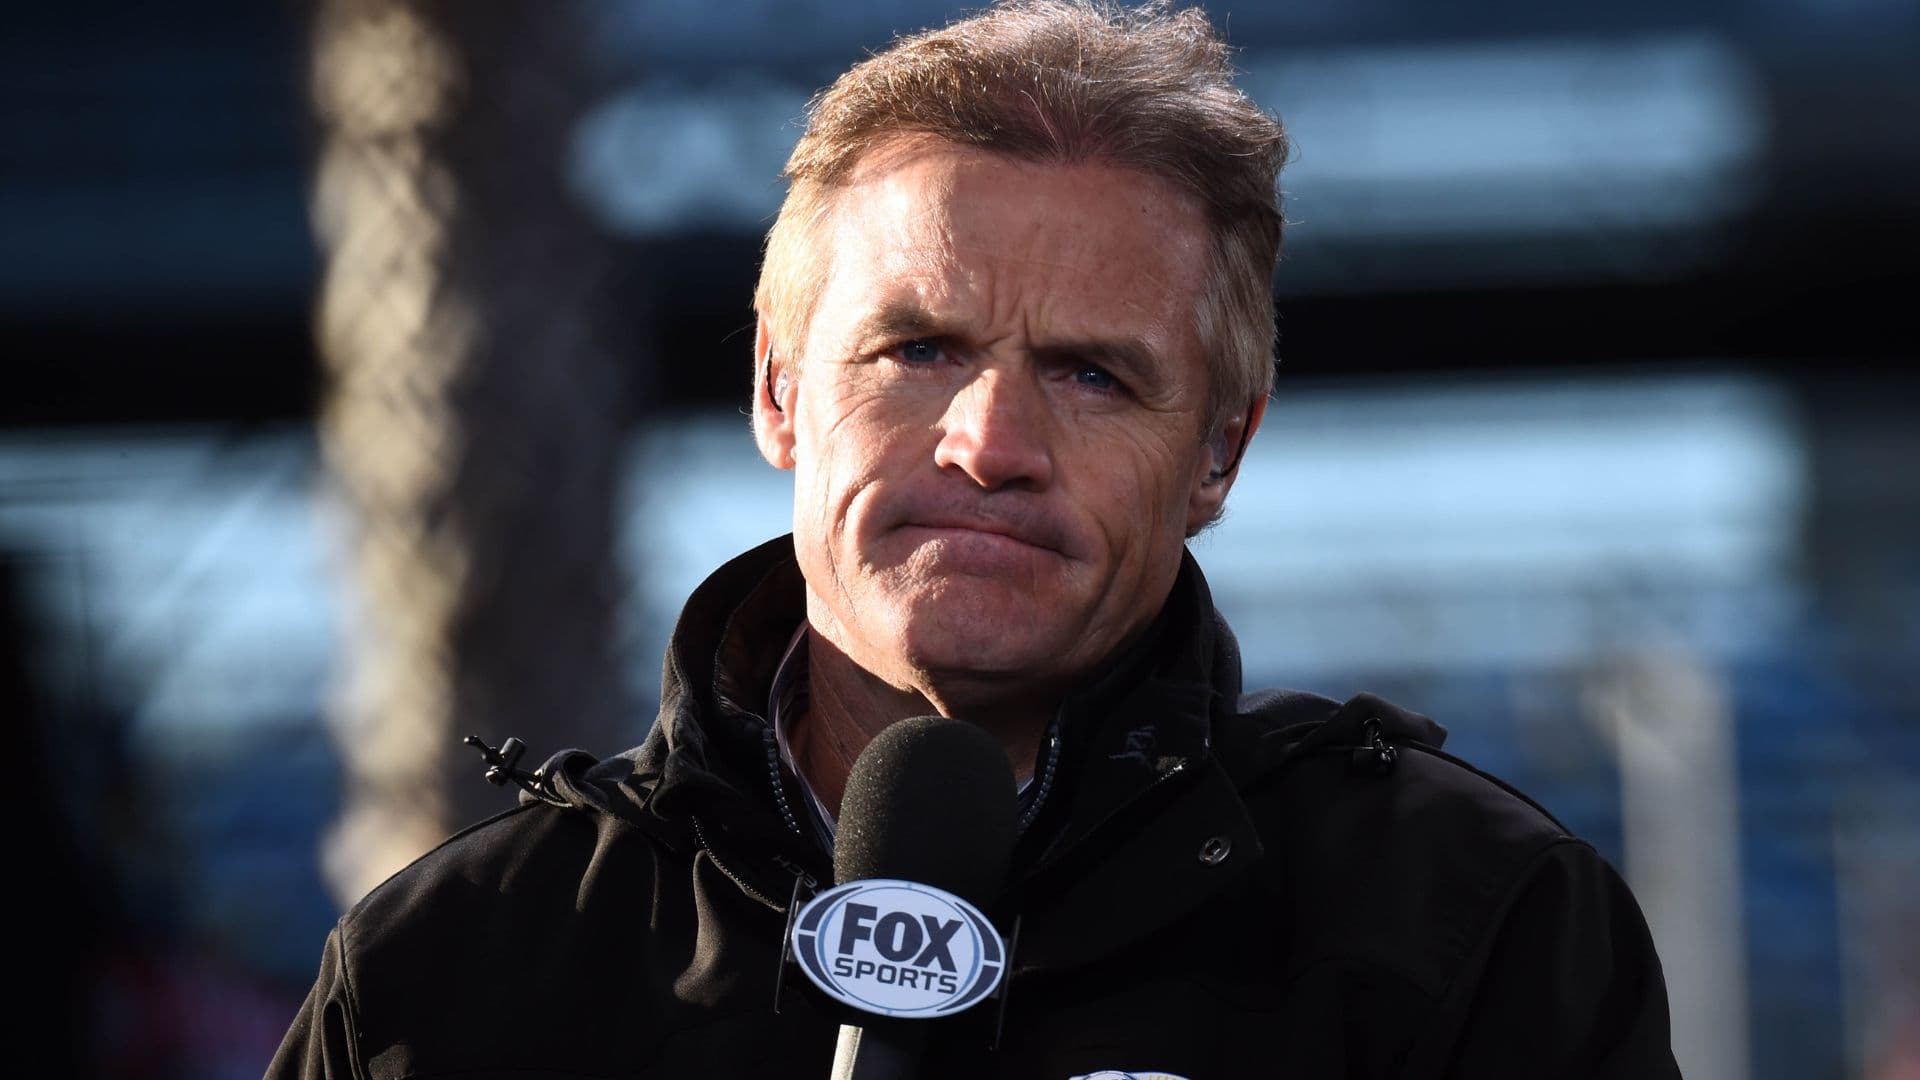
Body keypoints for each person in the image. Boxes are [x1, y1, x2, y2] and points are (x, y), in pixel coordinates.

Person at [269, 2, 1681, 1077]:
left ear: (1218, 453)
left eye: (1091, 374)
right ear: (778, 389)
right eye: (919, 348)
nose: (990, 444)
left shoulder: (1475, 925)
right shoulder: (448, 976)